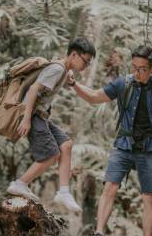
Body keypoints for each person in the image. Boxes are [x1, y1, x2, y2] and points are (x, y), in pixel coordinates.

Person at [68, 46, 152, 236]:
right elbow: (95, 96)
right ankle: (99, 235)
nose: (136, 72)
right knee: (109, 186)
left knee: (149, 196)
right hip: (124, 144)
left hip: (151, 147)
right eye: (134, 67)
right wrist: (74, 84)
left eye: (142, 69)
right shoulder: (124, 83)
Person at [7, 37, 96, 212]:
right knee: (50, 155)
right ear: (74, 55)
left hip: (41, 116)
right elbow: (34, 89)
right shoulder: (57, 69)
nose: (86, 65)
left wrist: (68, 76)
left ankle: (63, 192)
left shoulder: (61, 68)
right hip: (33, 115)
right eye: (85, 61)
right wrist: (26, 119)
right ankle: (20, 184)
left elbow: (58, 65)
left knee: (66, 144)